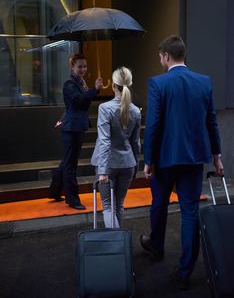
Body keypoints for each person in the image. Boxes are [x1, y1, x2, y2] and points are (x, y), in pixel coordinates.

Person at [140, 35, 224, 290]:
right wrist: (217, 156)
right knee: (189, 212)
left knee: (160, 204)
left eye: (160, 57)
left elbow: (153, 125)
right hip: (194, 158)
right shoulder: (203, 82)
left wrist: (148, 159)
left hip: (165, 158)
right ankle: (185, 271)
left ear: (166, 56)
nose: (160, 61)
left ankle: (156, 247)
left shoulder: (158, 83)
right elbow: (211, 121)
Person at [49, 53, 103, 210]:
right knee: (71, 164)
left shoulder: (80, 82)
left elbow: (83, 101)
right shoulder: (69, 84)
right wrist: (95, 90)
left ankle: (54, 191)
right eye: (79, 66)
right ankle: (72, 200)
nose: (83, 69)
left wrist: (93, 90)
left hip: (77, 126)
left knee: (67, 161)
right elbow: (79, 101)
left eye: (85, 66)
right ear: (72, 66)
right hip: (71, 127)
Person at [91, 67, 141, 228]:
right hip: (128, 163)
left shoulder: (105, 108)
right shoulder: (135, 110)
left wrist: (103, 170)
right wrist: (136, 167)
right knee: (119, 205)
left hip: (108, 164)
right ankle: (121, 245)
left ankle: (117, 247)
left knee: (107, 206)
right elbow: (136, 142)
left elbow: (105, 141)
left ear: (113, 85)